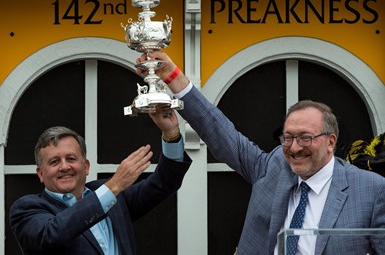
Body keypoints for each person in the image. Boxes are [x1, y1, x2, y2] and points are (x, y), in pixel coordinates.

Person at [136, 51, 385, 255]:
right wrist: (172, 77)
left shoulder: (371, 190)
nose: (294, 148)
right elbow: (222, 135)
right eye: (288, 137)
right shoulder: (275, 166)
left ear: (331, 141)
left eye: (305, 138)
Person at [9, 107, 191, 255]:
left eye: (71, 158)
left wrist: (171, 133)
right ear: (41, 174)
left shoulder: (112, 197)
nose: (64, 167)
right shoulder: (27, 209)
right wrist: (114, 185)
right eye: (54, 161)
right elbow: (52, 234)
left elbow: (164, 183)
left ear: (86, 166)